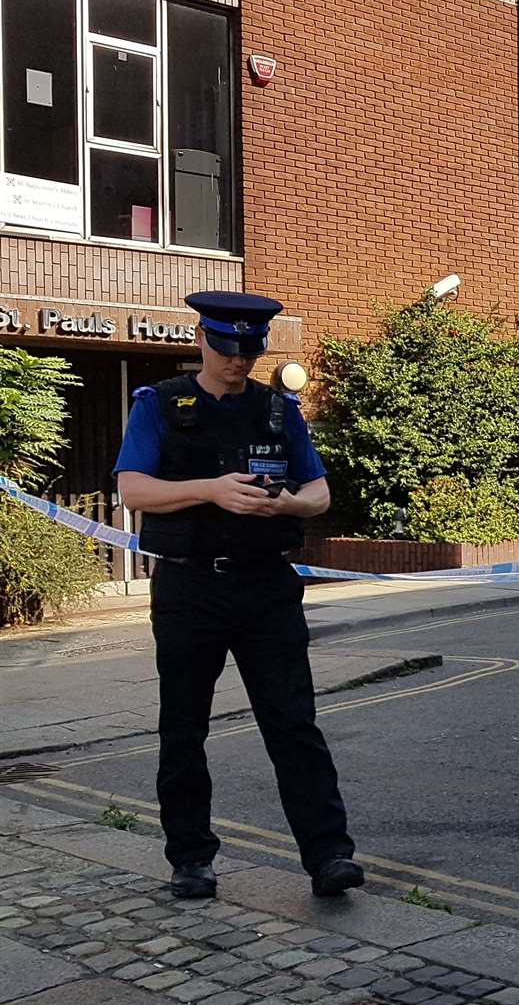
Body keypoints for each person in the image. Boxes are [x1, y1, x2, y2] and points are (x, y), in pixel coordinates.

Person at [113, 291, 364, 900]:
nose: (238, 361)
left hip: (266, 586)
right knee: (184, 728)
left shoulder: (279, 410)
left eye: (249, 350)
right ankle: (191, 859)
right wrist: (212, 490)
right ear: (203, 339)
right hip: (190, 585)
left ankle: (329, 855)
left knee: (293, 724)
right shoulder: (161, 405)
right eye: (227, 348)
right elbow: (132, 490)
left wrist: (284, 503)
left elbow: (320, 495)